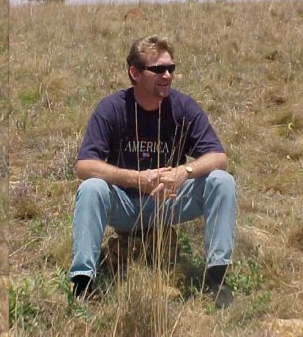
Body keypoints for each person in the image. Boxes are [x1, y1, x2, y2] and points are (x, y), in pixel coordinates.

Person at [70, 35, 237, 308]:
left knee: (222, 181)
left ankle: (217, 278)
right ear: (134, 73)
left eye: (171, 68)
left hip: (168, 203)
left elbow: (219, 157)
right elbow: (83, 166)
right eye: (158, 69)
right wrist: (138, 179)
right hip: (124, 205)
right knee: (91, 188)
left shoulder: (183, 107)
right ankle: (83, 283)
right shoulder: (112, 109)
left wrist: (184, 171)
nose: (167, 75)